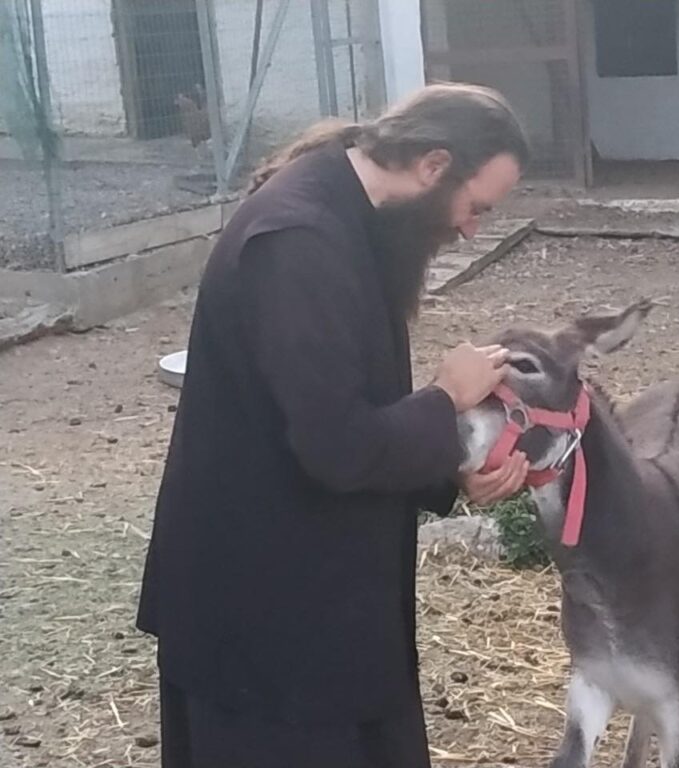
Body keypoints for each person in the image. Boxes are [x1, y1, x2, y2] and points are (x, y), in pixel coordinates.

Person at [136, 83, 532, 767]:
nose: (472, 228)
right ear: (434, 165)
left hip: (315, 605)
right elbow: (338, 446)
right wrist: (445, 399)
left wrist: (450, 466)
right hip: (263, 631)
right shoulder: (299, 242)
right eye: (477, 207)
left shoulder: (353, 217)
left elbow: (348, 413)